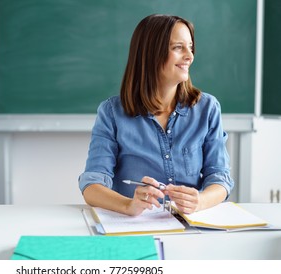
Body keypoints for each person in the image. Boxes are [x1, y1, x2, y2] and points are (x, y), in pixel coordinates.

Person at [78, 14, 234, 216]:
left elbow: (220, 177)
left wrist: (200, 201)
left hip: (192, 229)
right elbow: (92, 184)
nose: (190, 56)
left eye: (190, 47)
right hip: (135, 228)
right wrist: (128, 205)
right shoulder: (112, 113)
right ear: (151, 53)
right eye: (178, 47)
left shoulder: (208, 108)